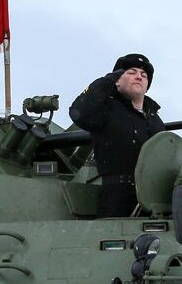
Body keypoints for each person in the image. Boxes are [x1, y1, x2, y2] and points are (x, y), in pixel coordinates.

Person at [68, 53, 165, 218]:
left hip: (155, 197)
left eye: (144, 75)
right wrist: (108, 81)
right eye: (131, 72)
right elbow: (80, 113)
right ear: (118, 80)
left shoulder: (154, 119)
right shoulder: (107, 109)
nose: (139, 77)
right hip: (117, 196)